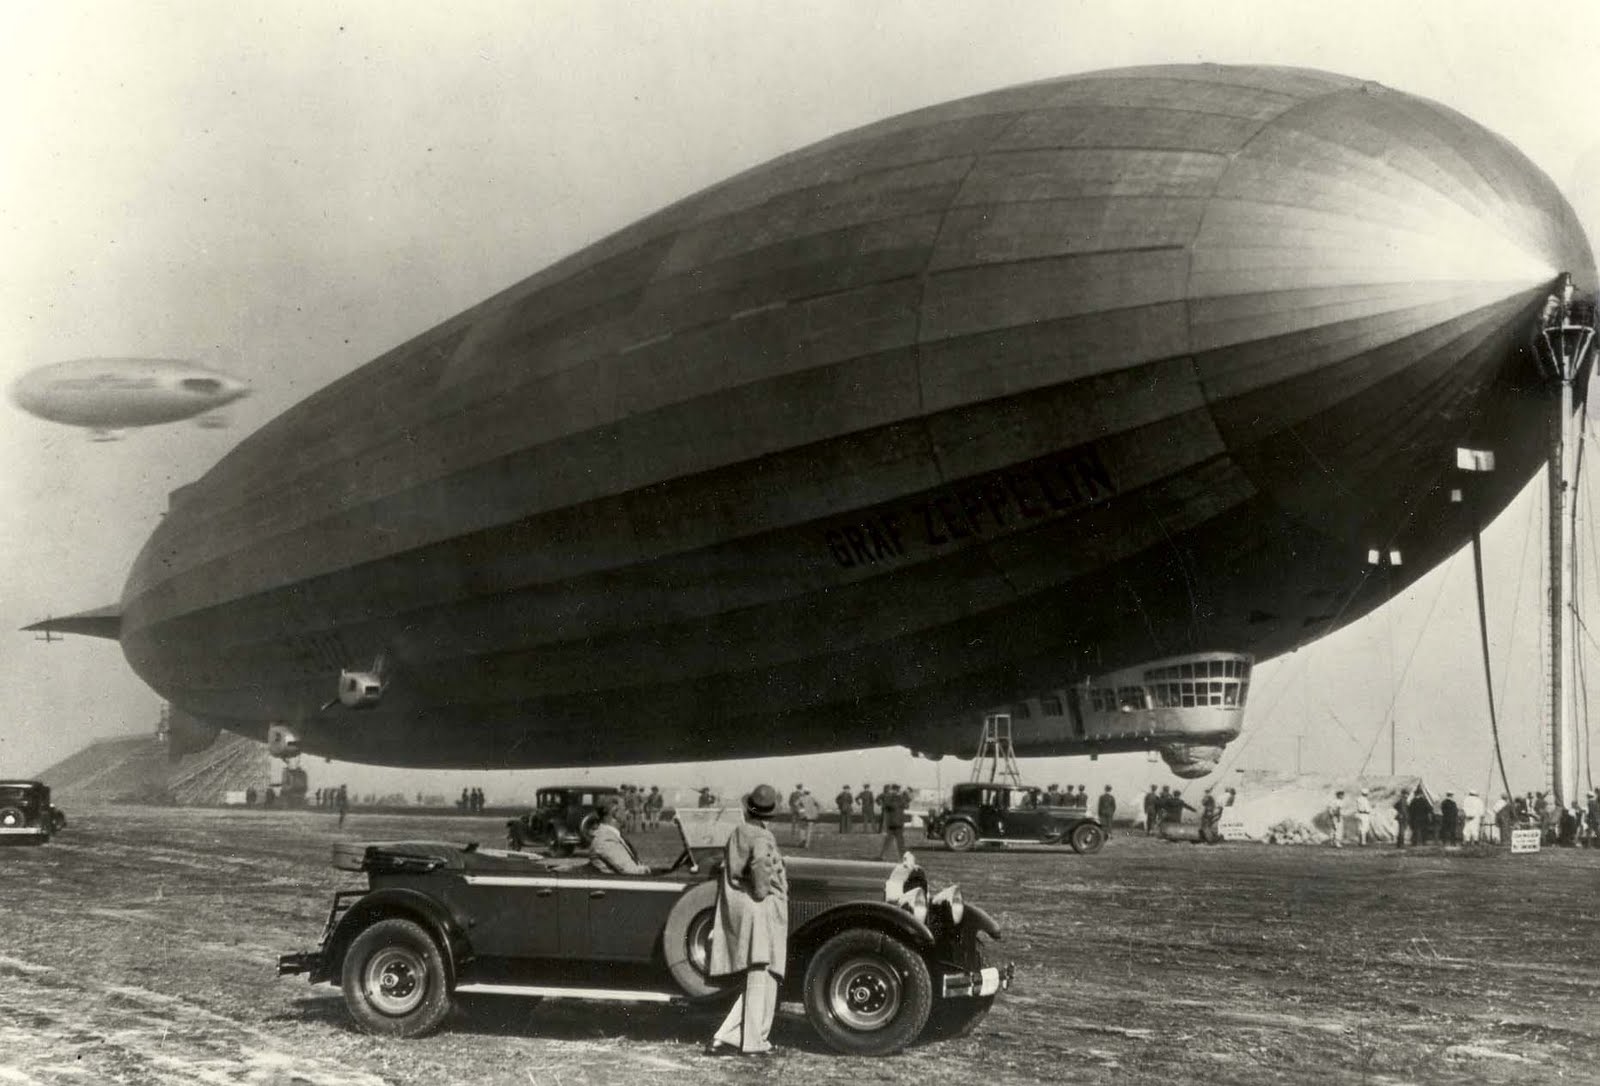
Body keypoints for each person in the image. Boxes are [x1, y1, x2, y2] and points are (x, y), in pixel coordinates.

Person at [707, 784, 787, 1058]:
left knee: (760, 976)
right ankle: (753, 1041)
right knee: (762, 976)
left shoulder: (739, 832)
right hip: (761, 907)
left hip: (741, 906)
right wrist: (763, 891)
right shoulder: (762, 836)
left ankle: (728, 1037)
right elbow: (760, 865)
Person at [589, 796, 652, 875]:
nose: (628, 814)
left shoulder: (612, 836)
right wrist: (646, 870)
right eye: (625, 809)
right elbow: (632, 871)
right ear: (615, 813)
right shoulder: (606, 840)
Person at [878, 784, 909, 861]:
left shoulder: (889, 798)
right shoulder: (901, 798)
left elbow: (885, 806)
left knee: (888, 841)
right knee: (900, 842)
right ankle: (902, 857)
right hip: (899, 823)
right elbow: (907, 805)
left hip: (891, 823)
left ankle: (882, 856)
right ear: (898, 790)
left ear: (893, 790)